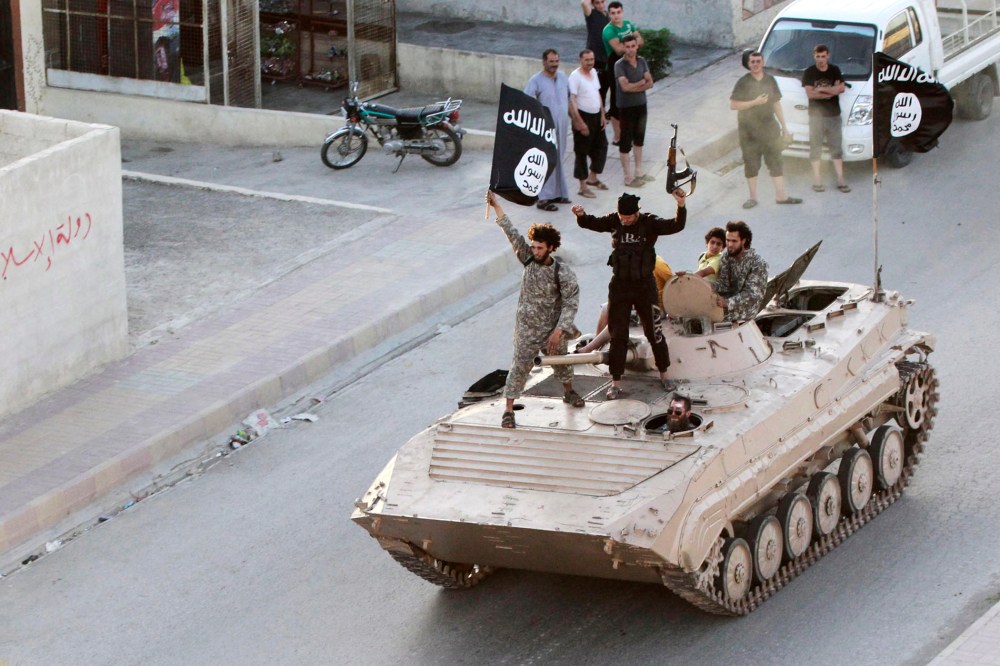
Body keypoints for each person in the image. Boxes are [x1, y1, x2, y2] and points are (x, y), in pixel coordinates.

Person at [573, 191, 686, 398]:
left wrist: (681, 205)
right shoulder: (614, 221)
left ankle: (664, 374)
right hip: (620, 286)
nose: (624, 221)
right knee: (618, 334)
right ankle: (615, 382)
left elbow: (676, 225)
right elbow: (593, 223)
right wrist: (581, 215)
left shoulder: (649, 223)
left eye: (628, 217)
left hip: (645, 286)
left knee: (654, 332)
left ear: (637, 213)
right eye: (622, 217)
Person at [487, 191, 584, 429]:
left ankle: (569, 392)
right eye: (533, 247)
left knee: (562, 364)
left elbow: (571, 301)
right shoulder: (528, 258)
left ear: (551, 248)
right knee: (519, 367)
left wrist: (559, 331)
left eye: (540, 248)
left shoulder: (561, 272)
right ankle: (508, 410)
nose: (535, 251)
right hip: (526, 330)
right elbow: (510, 231)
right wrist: (496, 205)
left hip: (552, 331)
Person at [729, 51, 802, 209]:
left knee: (775, 162)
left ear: (763, 62)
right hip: (748, 131)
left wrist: (784, 127)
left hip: (770, 129)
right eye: (752, 62)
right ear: (748, 64)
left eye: (758, 61)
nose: (756, 64)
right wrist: (754, 102)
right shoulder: (743, 82)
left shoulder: (770, 80)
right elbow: (733, 105)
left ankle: (781, 196)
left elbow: (776, 103)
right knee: (751, 164)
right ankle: (752, 198)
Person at [575, 255, 671, 353]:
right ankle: (598, 343)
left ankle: (588, 349)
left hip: (655, 308)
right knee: (606, 309)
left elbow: (673, 283)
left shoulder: (658, 264)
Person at [525, 49, 572, 211]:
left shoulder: (563, 77)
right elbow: (527, 102)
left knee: (558, 158)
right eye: (551, 61)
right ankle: (543, 198)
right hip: (545, 127)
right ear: (544, 62)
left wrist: (578, 121)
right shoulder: (536, 80)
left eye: (556, 61)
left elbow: (569, 100)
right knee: (546, 160)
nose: (554, 64)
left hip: (562, 125)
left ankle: (558, 193)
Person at [802, 44, 851, 193]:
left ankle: (840, 179)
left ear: (828, 56)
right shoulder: (809, 72)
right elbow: (810, 94)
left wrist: (822, 89)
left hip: (833, 115)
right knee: (815, 147)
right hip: (816, 116)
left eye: (823, 56)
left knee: (836, 147)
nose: (820, 59)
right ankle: (817, 179)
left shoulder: (834, 70)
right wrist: (831, 91)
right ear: (814, 56)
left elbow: (841, 89)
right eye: (818, 56)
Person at [569, 49, 609, 198]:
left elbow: (598, 93)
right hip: (583, 116)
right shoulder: (575, 76)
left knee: (602, 146)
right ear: (581, 60)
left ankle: (592, 178)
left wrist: (603, 114)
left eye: (592, 59)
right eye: (587, 60)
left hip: (596, 116)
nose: (590, 62)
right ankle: (582, 186)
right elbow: (572, 101)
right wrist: (579, 123)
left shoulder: (593, 72)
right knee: (582, 152)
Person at [602, 1, 643, 146]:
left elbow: (641, 40)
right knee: (616, 100)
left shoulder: (628, 24)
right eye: (613, 13)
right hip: (615, 65)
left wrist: (629, 46)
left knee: (630, 98)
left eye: (618, 12)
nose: (616, 15)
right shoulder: (608, 30)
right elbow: (619, 50)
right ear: (609, 14)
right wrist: (632, 45)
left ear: (622, 12)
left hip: (630, 64)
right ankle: (617, 136)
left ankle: (628, 132)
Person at [614, 34, 653, 188]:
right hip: (626, 108)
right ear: (623, 47)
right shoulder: (619, 65)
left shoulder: (642, 61)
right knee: (625, 142)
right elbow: (625, 87)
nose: (630, 50)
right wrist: (641, 83)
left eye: (633, 46)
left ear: (637, 46)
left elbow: (650, 82)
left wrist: (635, 85)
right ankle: (627, 177)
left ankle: (638, 171)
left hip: (641, 106)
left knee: (639, 139)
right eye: (627, 47)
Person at [713, 220, 769, 322]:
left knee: (709, 318)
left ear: (743, 241)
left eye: (734, 241)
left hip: (746, 310)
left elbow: (752, 295)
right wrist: (705, 285)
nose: (730, 245)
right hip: (728, 302)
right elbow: (724, 285)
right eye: (727, 240)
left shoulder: (758, 263)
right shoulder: (727, 257)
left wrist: (727, 303)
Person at [581, 0, 611, 119]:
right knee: (597, 89)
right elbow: (584, 3)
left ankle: (606, 113)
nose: (600, 5)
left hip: (607, 57)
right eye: (597, 3)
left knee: (607, 87)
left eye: (602, 2)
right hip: (596, 58)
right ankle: (598, 115)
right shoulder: (592, 15)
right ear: (593, 4)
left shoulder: (608, 16)